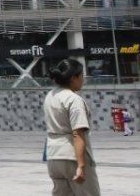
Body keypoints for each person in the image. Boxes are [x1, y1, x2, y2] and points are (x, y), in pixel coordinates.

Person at [43, 58, 100, 196]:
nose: (83, 79)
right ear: (74, 78)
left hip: (53, 156)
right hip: (71, 157)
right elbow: (77, 134)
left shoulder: (50, 95)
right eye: (81, 76)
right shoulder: (73, 99)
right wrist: (81, 166)